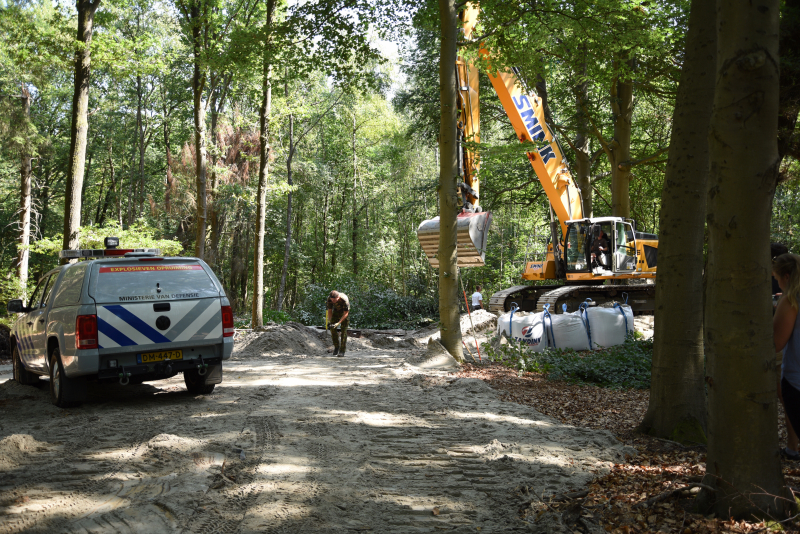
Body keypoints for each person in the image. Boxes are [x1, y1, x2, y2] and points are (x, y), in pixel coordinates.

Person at [774, 253, 800, 460]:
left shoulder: (790, 299)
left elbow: (776, 343)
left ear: (786, 276)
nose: (777, 284)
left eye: (776, 278)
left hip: (796, 382)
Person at [326, 290, 350, 357]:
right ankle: (336, 347)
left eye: (334, 300)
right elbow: (330, 310)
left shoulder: (344, 299)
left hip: (344, 313)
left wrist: (338, 323)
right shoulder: (329, 299)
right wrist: (330, 321)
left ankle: (342, 350)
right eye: (332, 299)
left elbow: (346, 313)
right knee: (332, 329)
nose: (333, 301)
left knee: (343, 332)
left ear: (338, 297)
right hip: (335, 313)